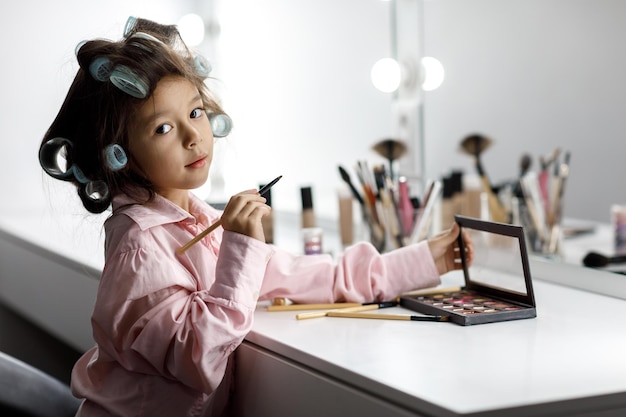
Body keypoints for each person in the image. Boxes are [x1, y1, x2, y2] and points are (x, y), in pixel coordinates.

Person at [39, 17, 473, 417]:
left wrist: (427, 260)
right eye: (163, 128)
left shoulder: (198, 221)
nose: (195, 136)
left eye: (195, 112)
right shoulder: (139, 247)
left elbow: (319, 278)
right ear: (118, 152)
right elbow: (199, 355)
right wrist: (241, 248)